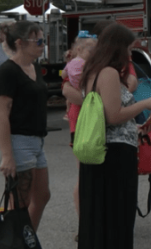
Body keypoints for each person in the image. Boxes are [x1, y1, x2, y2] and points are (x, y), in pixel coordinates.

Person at [77, 23, 151, 249]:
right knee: (118, 216)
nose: (130, 55)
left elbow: (104, 114)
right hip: (114, 154)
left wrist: (135, 127)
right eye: (128, 49)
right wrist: (145, 103)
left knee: (98, 215)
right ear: (118, 48)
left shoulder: (92, 71)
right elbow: (114, 115)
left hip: (102, 150)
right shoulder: (109, 73)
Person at [0, 21, 51, 231]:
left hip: (37, 140)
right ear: (20, 43)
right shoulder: (7, 72)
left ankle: (26, 238)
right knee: (19, 201)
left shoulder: (35, 67)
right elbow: (0, 115)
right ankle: (14, 241)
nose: (42, 45)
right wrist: (7, 155)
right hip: (18, 141)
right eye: (38, 41)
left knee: (42, 196)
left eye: (43, 40)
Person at [61, 31, 97, 242]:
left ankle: (91, 223)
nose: (95, 51)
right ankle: (85, 224)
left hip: (90, 121)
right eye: (91, 47)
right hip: (82, 123)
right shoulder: (78, 65)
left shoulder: (85, 64)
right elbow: (71, 88)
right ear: (80, 49)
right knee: (84, 175)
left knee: (90, 175)